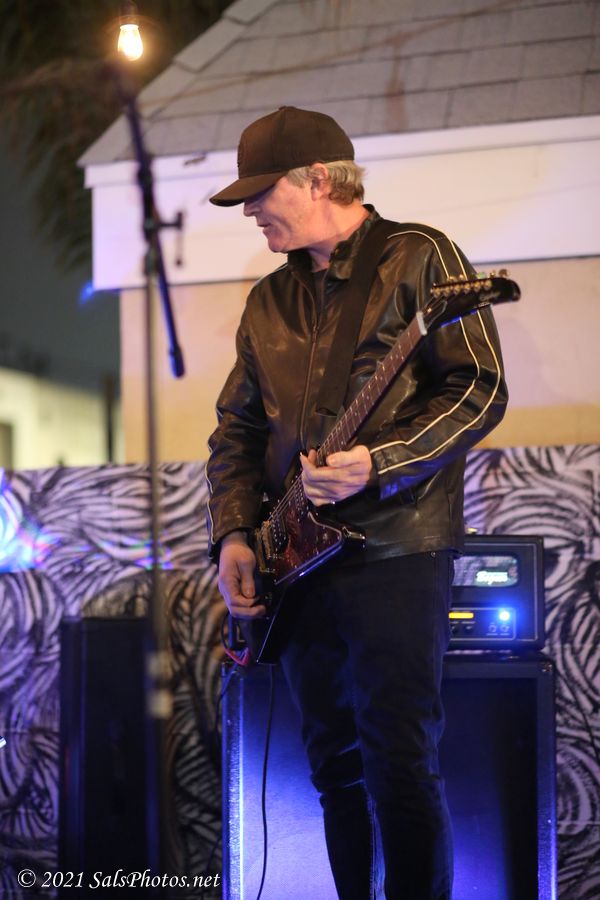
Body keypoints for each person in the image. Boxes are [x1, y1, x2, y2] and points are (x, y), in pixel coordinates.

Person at [206, 106, 508, 899]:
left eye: (261, 191)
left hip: (398, 547)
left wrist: (380, 463)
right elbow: (236, 432)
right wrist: (234, 533)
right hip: (296, 562)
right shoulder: (268, 302)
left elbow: (479, 389)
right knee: (334, 769)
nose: (249, 210)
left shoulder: (420, 257)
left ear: (318, 180)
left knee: (399, 760)